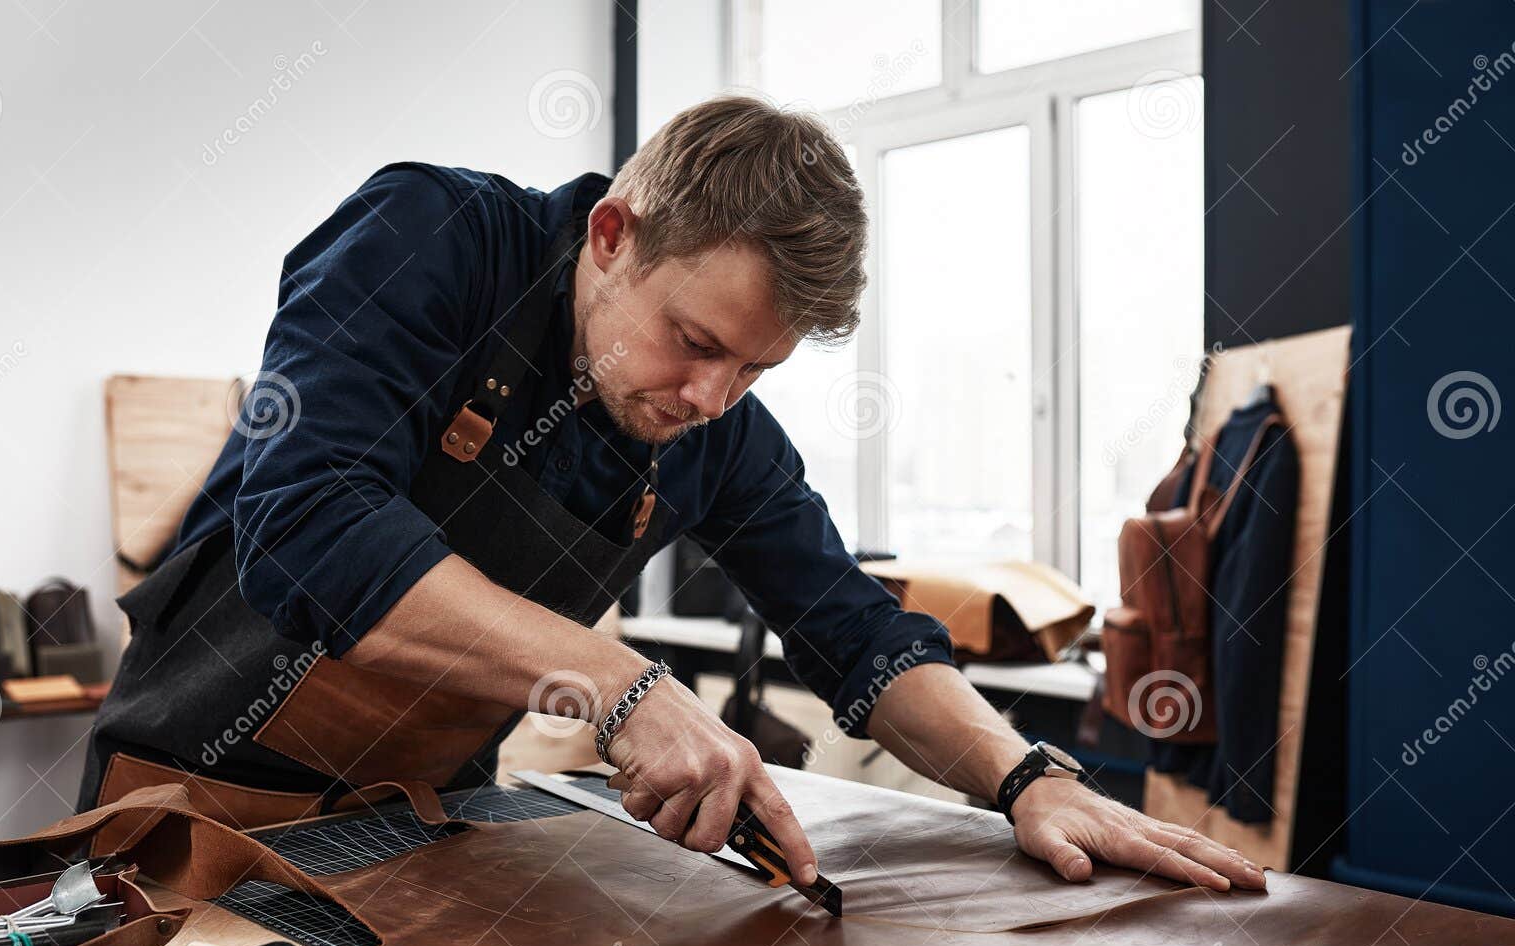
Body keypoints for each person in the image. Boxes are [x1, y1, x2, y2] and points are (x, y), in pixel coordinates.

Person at [81, 95, 1265, 896]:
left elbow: (853, 629)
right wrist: (619, 685)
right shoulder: (434, 238)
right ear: (610, 235)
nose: (712, 394)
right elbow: (309, 527)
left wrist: (1025, 778)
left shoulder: (717, 433)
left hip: (420, 836)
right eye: (693, 340)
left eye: (755, 367)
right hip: (192, 816)